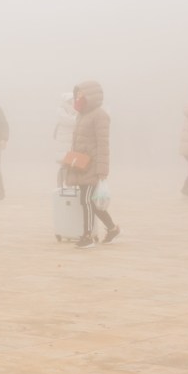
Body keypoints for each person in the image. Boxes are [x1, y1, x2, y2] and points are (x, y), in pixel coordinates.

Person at [66, 80, 119, 249]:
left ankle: (87, 236)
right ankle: (112, 228)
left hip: (93, 165)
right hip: (81, 164)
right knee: (91, 201)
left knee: (86, 200)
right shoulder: (81, 114)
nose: (77, 97)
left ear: (91, 96)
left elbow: (103, 144)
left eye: (81, 94)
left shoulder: (100, 115)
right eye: (77, 94)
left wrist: (102, 170)